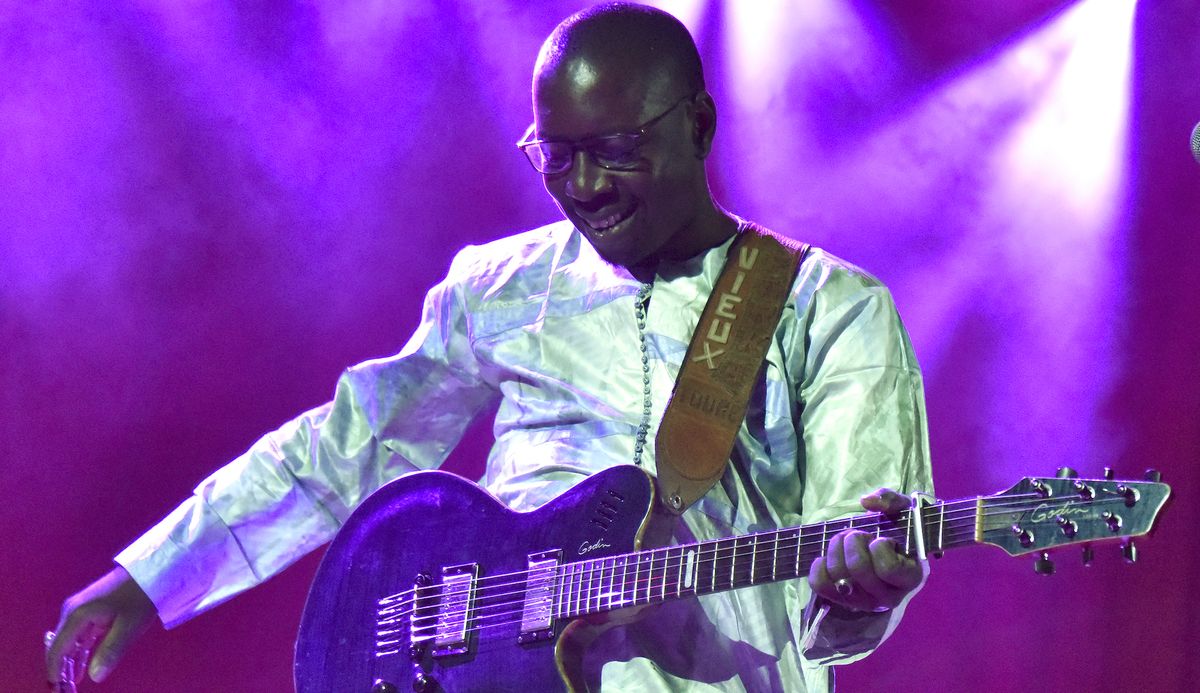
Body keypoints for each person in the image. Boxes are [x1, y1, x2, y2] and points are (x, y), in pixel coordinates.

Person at [46, 3, 932, 691]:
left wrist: (864, 588)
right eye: (556, 155)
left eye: (616, 152)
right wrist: (156, 573)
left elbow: (859, 553)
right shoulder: (498, 283)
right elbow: (347, 446)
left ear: (697, 126)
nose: (583, 187)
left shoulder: (831, 308)